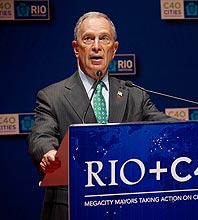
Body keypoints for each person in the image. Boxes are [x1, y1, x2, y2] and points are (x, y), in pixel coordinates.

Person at [28, 11, 177, 220]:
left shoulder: (135, 95)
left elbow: (168, 127)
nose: (96, 46)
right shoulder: (52, 96)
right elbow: (41, 136)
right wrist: (48, 153)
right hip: (72, 208)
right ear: (76, 48)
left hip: (127, 208)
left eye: (104, 38)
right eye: (88, 38)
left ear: (114, 49)